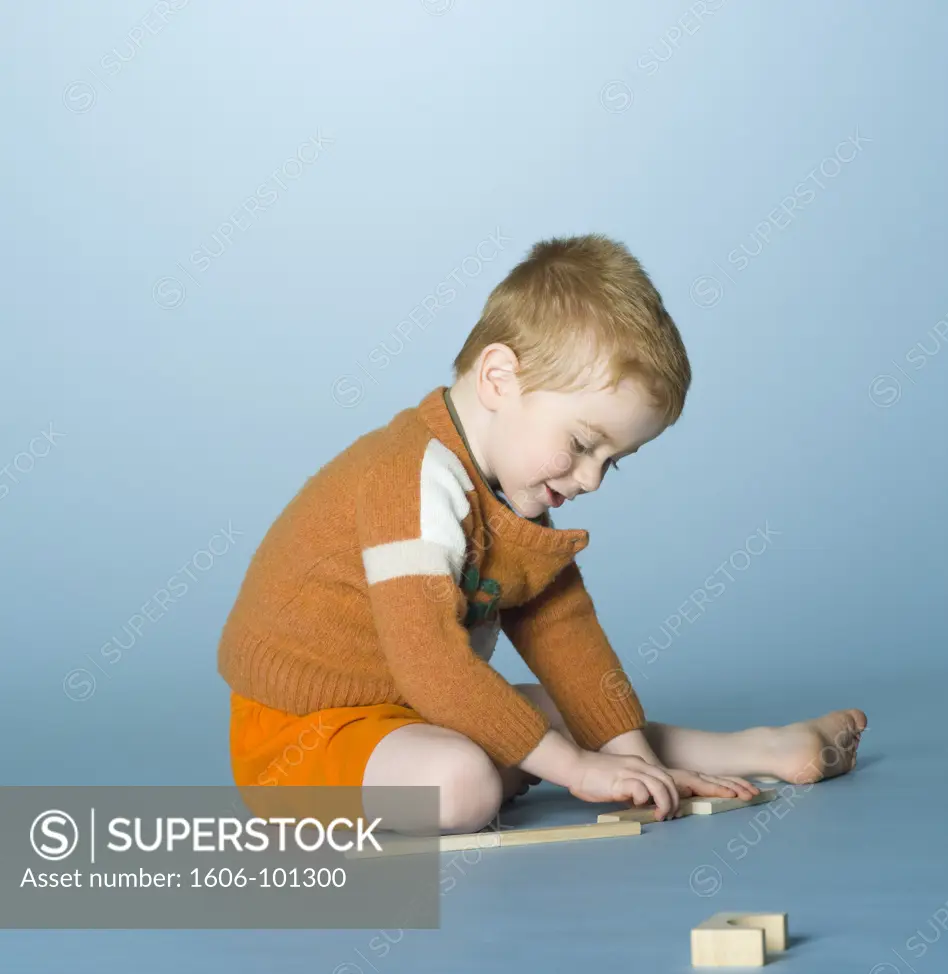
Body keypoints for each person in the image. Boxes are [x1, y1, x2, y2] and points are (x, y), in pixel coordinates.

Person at [218, 233, 866, 835]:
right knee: (464, 784)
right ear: (500, 378)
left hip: (414, 714)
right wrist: (580, 771)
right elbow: (430, 663)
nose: (592, 480)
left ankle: (758, 748)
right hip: (304, 733)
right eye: (583, 444)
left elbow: (568, 639)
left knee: (570, 713)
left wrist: (637, 765)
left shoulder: (510, 494)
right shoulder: (411, 477)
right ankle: (502, 764)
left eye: (613, 461)